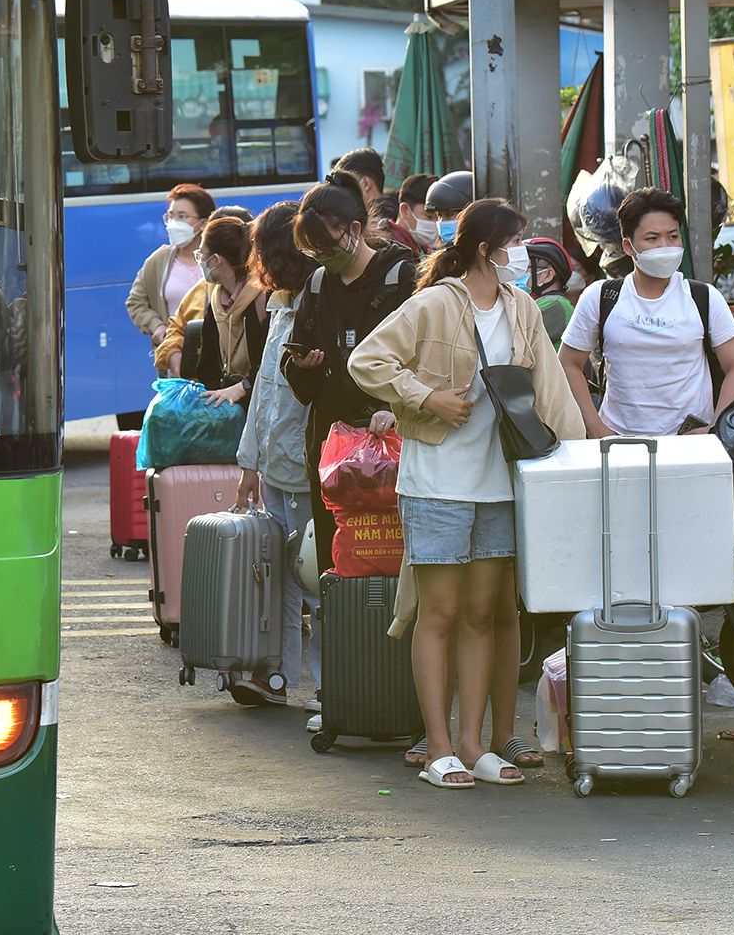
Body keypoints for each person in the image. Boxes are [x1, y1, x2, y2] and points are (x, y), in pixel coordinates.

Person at [350, 198, 586, 788]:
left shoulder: (522, 309)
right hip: (436, 482)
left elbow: (551, 390)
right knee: (441, 613)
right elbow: (367, 359)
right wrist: (426, 398)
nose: (522, 257)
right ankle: (437, 749)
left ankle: (473, 744)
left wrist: (578, 461)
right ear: (486, 249)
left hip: (501, 483)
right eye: (514, 245)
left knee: (484, 614)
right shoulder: (434, 303)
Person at [281, 171, 421, 581]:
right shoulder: (319, 283)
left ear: (355, 229)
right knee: (338, 560)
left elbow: (424, 360)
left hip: (391, 445)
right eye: (313, 250)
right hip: (334, 451)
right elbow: (298, 371)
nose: (322, 256)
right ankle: (344, 638)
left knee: (393, 559)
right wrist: (302, 367)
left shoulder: (401, 278)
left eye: (327, 244)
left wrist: (392, 407)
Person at [558, 187, 734, 437]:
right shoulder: (601, 297)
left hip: (691, 447)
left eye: (672, 237)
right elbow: (568, 363)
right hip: (618, 446)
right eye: (652, 239)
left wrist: (714, 428)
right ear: (628, 246)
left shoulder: (704, 297)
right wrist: (596, 428)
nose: (665, 246)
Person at [233, 201, 322, 707]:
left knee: (310, 581)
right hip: (276, 467)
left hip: (305, 469)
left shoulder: (313, 303)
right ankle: (279, 678)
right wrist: (250, 463)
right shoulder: (284, 305)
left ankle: (330, 686)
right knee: (283, 583)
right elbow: (265, 394)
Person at [154, 216, 264, 403]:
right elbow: (208, 364)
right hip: (226, 403)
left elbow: (270, 365)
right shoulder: (216, 299)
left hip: (257, 401)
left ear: (216, 261)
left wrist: (241, 390)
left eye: (201, 255)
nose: (200, 261)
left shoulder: (261, 298)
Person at [126, 181, 215, 359]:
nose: (174, 223)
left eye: (182, 216)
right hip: (176, 355)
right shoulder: (159, 260)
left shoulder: (217, 260)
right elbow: (136, 302)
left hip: (214, 355)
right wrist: (156, 325)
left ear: (203, 223)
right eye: (170, 216)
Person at [522, 237, 577, 343]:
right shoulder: (538, 303)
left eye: (523, 269)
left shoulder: (554, 305)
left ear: (547, 275)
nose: (517, 275)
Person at [334, 147, 392, 226]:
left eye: (346, 186)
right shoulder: (396, 216)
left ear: (365, 184)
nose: (343, 194)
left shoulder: (374, 227)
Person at [425, 170, 475, 245]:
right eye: (440, 216)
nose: (442, 222)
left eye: (449, 215)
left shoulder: (491, 253)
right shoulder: (446, 255)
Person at [396, 172, 441, 251]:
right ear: (405, 210)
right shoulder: (389, 250)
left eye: (439, 217)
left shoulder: (424, 250)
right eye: (429, 216)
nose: (436, 223)